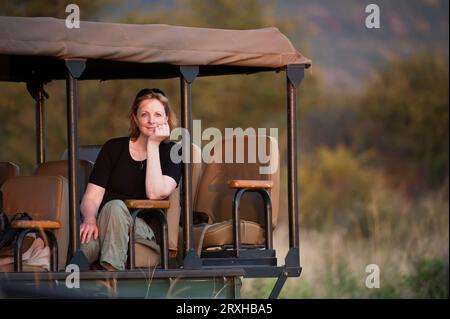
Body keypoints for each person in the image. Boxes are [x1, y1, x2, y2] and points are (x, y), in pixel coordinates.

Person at [80, 88, 181, 271]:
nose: (151, 121)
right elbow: (92, 197)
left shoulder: (175, 152)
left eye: (158, 114)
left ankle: (109, 275)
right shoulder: (113, 148)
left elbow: (155, 193)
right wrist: (89, 219)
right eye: (144, 114)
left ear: (166, 118)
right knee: (89, 234)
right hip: (104, 221)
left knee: (116, 206)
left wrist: (153, 144)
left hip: (140, 228)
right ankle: (65, 277)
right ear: (135, 118)